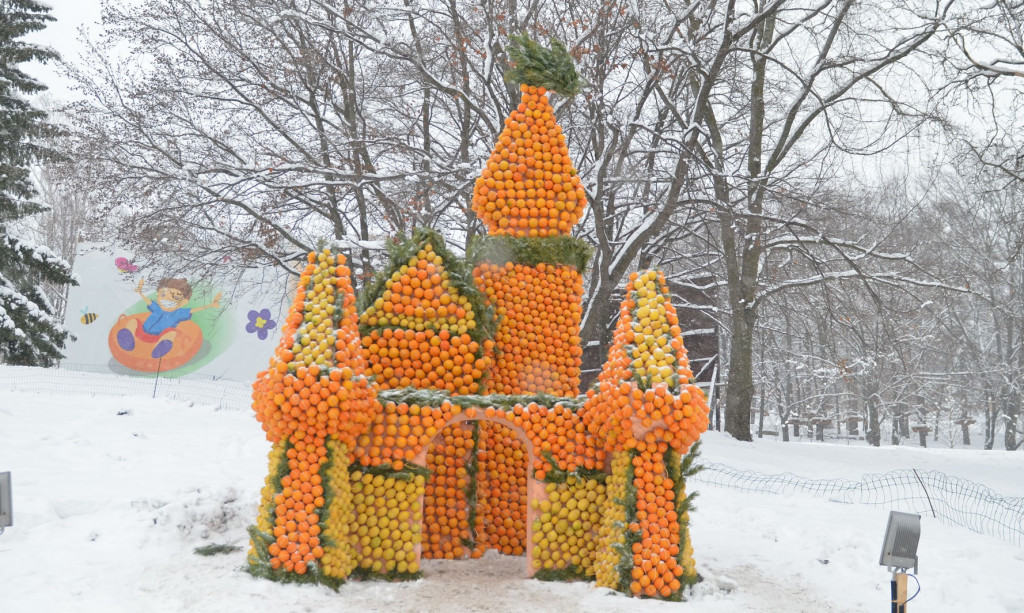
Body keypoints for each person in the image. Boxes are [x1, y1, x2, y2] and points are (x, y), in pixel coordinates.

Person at [116, 278, 221, 359]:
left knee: (171, 332)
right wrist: (140, 292)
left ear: (184, 302)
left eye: (175, 297)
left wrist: (211, 305)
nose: (167, 299)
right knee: (133, 321)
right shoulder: (157, 307)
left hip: (158, 337)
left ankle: (162, 346)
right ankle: (127, 338)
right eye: (163, 294)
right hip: (141, 331)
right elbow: (148, 301)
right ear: (158, 295)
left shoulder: (178, 313)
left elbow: (193, 310)